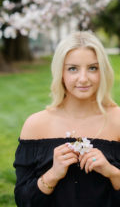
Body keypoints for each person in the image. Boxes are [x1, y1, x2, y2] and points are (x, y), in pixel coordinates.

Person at [14, 31, 120, 207]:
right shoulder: (36, 125)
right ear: (60, 73)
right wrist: (53, 174)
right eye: (73, 69)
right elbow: (24, 201)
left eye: (93, 68)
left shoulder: (117, 120)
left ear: (103, 71)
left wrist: (112, 173)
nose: (83, 78)